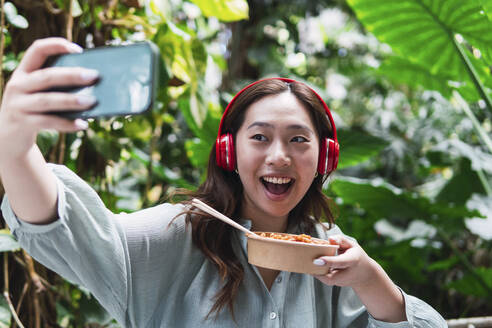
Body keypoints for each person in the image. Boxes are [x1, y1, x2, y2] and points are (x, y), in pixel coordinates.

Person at [0, 38, 446, 328]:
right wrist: (15, 147)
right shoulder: (175, 235)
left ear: (323, 157)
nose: (279, 156)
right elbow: (69, 228)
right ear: (230, 152)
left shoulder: (332, 258)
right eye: (259, 137)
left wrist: (370, 280)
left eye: (298, 140)